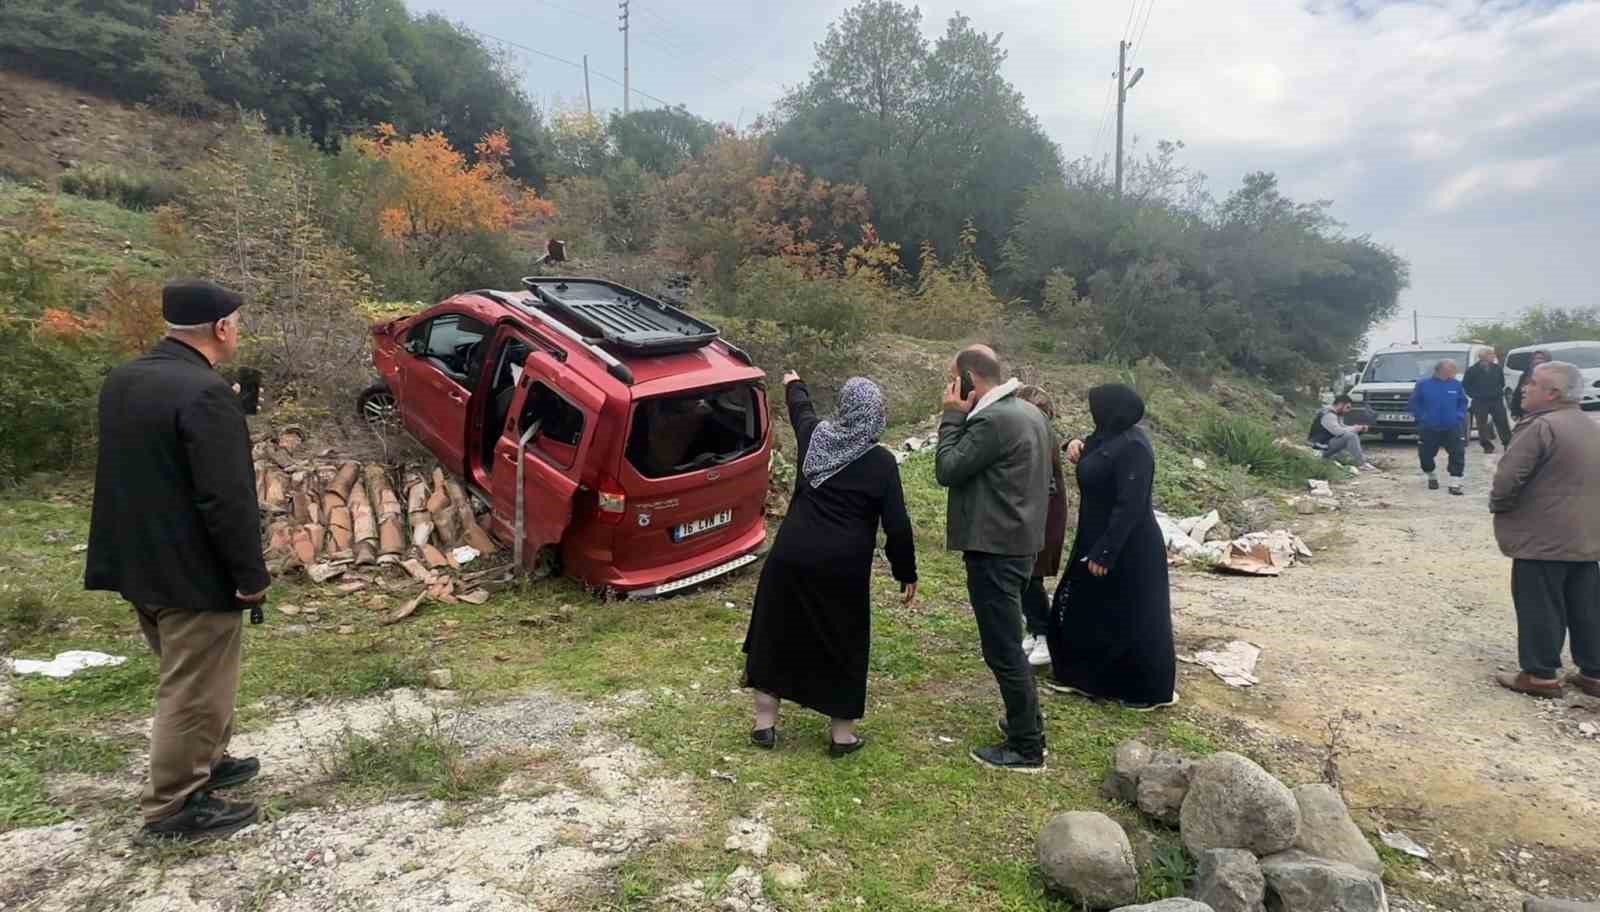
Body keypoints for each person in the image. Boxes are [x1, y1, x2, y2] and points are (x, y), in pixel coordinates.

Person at [85, 280, 270, 840]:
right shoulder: (205, 394)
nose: (237, 330)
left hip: (136, 559)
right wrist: (249, 575)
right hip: (192, 569)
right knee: (192, 687)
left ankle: (209, 762)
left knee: (197, 678)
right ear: (220, 328)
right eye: (235, 322)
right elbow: (226, 497)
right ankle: (172, 805)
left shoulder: (126, 380)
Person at [742, 373, 917, 756]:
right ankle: (842, 737)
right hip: (843, 570)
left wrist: (794, 383)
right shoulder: (882, 463)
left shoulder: (814, 438)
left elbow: (799, 410)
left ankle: (764, 726)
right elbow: (898, 526)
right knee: (843, 643)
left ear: (844, 408)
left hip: (790, 557)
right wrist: (906, 572)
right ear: (875, 415)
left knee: (777, 633)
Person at [935, 345, 1052, 772]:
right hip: (1021, 542)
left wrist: (952, 416)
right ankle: (1027, 722)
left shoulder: (992, 419)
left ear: (968, 379)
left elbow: (947, 469)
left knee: (1002, 648)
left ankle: (1026, 747)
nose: (949, 386)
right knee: (1007, 642)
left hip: (995, 548)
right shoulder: (1029, 412)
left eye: (953, 378)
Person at [1045, 385, 1178, 711]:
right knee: (1088, 606)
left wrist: (1107, 552)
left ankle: (1144, 690)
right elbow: (1092, 452)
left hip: (1128, 546)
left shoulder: (1134, 447)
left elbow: (1130, 506)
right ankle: (1086, 679)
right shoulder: (1107, 437)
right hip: (1096, 536)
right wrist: (1071, 444)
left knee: (1133, 618)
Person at [1489, 361, 1600, 700]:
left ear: (1552, 393)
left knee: (1540, 604)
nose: (1525, 387)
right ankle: (1594, 674)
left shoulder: (1540, 427)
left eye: (1533, 383)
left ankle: (1539, 675)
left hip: (1543, 537)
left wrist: (1500, 505)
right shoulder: (1590, 425)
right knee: (1588, 605)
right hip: (1587, 536)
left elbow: (1509, 479)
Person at [1015, 385, 1068, 669]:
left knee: (1031, 575)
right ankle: (1035, 631)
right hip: (1034, 512)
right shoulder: (1037, 434)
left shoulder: (1041, 436)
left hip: (1043, 515)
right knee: (1025, 576)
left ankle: (1045, 634)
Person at [1408, 359, 1469, 495]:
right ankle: (1431, 475)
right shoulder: (1423, 384)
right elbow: (1413, 403)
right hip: (1429, 427)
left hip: (1452, 426)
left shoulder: (1456, 385)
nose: (1455, 372)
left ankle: (1455, 483)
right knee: (1426, 455)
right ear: (1443, 370)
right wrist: (1422, 417)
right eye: (1453, 370)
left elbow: (1463, 402)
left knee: (1457, 453)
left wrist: (1458, 416)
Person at [1308, 395, 1378, 471]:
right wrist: (1354, 428)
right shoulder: (1328, 415)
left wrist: (1358, 428)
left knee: (1351, 435)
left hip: (1325, 444)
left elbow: (1342, 427)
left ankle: (1360, 460)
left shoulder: (1334, 414)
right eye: (1347, 407)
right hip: (1319, 447)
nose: (1348, 411)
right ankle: (1362, 464)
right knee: (1351, 436)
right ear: (1341, 404)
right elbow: (1338, 431)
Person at [1463, 348, 1512, 453]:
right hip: (1480, 401)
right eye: (1491, 354)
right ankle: (1487, 446)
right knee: (1482, 425)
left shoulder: (1497, 368)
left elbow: (1502, 383)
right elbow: (1466, 385)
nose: (1493, 356)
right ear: (1483, 356)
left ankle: (1507, 443)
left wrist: (1497, 391)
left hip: (1496, 400)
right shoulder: (1472, 370)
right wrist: (1475, 395)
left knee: (1502, 422)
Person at [1509, 350, 1551, 422]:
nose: (1538, 361)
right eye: (1535, 358)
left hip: (1547, 413)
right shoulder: (1526, 374)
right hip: (1528, 413)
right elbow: (1517, 394)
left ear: (1547, 360)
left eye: (1541, 358)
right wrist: (1515, 411)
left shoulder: (1554, 375)